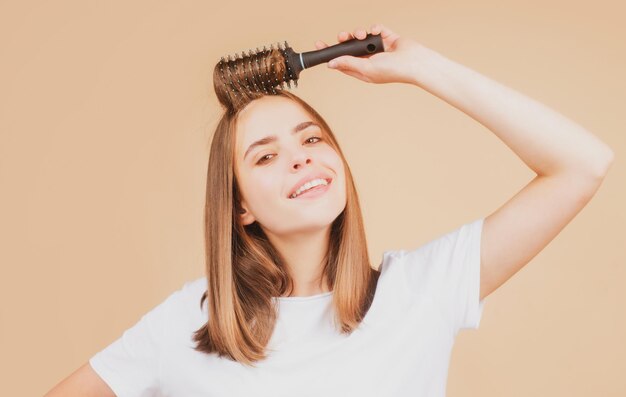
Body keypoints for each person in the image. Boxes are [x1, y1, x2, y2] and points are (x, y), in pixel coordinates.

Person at [44, 24, 614, 396]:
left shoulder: (421, 291)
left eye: (312, 139)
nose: (299, 160)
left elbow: (582, 164)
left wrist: (423, 68)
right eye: (266, 156)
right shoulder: (189, 321)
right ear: (239, 205)